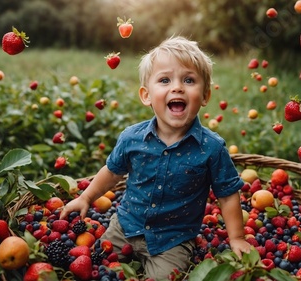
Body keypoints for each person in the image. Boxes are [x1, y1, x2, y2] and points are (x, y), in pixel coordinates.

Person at [60, 36, 251, 279]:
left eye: (189, 80)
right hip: (125, 226)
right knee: (99, 268)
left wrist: (236, 237)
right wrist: (86, 197)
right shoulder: (132, 138)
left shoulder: (212, 148)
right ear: (146, 95)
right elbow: (112, 172)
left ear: (205, 96)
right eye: (164, 80)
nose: (177, 87)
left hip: (173, 240)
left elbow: (226, 194)